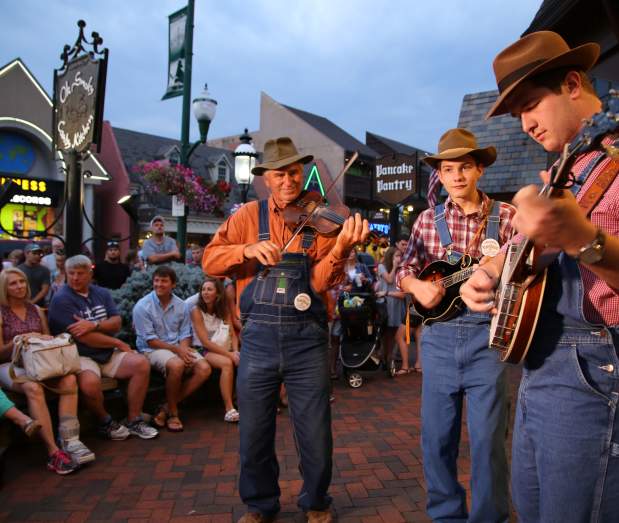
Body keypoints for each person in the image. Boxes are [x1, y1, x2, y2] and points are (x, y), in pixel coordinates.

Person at [460, 31, 619, 522]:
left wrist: (582, 239)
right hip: (540, 369)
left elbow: (578, 243)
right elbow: (520, 250)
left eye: (531, 105)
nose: (525, 124)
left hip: (593, 369)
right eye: (516, 116)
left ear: (573, 83)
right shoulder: (565, 170)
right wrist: (483, 273)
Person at [202, 136, 368, 523]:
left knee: (314, 431)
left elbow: (321, 284)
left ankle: (316, 502)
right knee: (254, 431)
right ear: (267, 179)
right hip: (258, 339)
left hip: (307, 339)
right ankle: (260, 505)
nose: (289, 181)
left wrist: (341, 247)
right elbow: (210, 259)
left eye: (294, 172)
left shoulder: (322, 219)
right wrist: (245, 251)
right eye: (281, 174)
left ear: (301, 172)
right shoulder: (246, 217)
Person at [397, 128, 515, 522]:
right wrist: (416, 286)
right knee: (436, 439)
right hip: (439, 341)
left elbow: (530, 272)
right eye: (449, 169)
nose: (458, 176)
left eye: (465, 167)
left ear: (479, 169)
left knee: (487, 442)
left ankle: (489, 518)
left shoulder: (508, 216)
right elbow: (404, 269)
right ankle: (446, 516)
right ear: (441, 175)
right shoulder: (427, 221)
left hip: (489, 339)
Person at [48, 255, 158, 441]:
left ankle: (133, 419)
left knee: (141, 364)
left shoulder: (102, 293)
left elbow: (116, 322)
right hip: (79, 354)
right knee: (90, 383)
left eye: (80, 273)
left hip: (106, 352)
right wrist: (117, 342)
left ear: (90, 274)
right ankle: (105, 421)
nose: (75, 278)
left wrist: (95, 325)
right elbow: (86, 338)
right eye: (71, 273)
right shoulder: (61, 299)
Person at [0, 268, 92, 474]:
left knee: (69, 379)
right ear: (4, 288)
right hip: (10, 366)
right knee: (33, 388)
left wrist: (48, 338)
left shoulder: (35, 309)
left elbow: (47, 340)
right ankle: (53, 451)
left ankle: (70, 440)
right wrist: (17, 341)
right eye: (13, 283)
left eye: (22, 281)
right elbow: (0, 352)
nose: (19, 286)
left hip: (40, 363)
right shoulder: (1, 312)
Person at [133, 266, 211, 432]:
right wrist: (178, 351)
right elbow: (150, 340)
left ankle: (165, 408)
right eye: (156, 280)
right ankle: (174, 413)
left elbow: (185, 333)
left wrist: (183, 349)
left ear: (173, 284)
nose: (159, 284)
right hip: (151, 350)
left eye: (164, 281)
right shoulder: (143, 306)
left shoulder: (181, 305)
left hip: (177, 347)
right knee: (177, 365)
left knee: (204, 368)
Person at [190, 277, 241, 422]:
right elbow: (205, 342)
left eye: (209, 289)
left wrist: (236, 351)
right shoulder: (196, 311)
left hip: (224, 349)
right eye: (203, 290)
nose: (205, 293)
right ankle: (229, 409)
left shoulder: (223, 310)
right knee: (226, 363)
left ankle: (247, 401)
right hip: (202, 349)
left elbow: (233, 334)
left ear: (218, 294)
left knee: (246, 359)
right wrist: (230, 355)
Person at [376, 247, 410, 374]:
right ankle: (384, 358)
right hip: (386, 303)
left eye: (400, 256)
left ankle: (390, 358)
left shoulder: (401, 270)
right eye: (396, 256)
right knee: (386, 333)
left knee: (395, 332)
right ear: (391, 256)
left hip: (397, 303)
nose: (398, 258)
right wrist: (395, 267)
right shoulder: (382, 267)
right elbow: (389, 279)